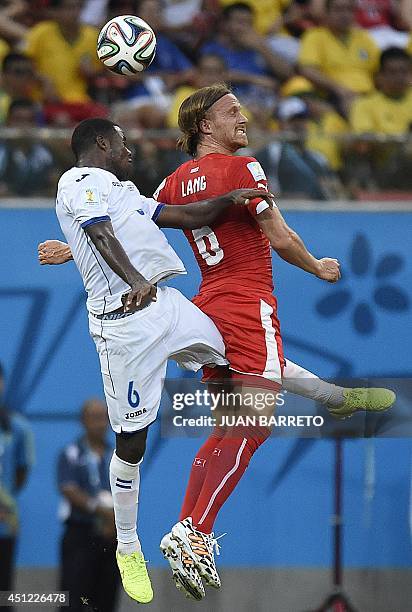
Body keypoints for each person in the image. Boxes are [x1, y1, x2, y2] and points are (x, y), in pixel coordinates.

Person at [151, 84, 395, 599]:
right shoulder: (244, 170)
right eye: (231, 111)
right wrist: (319, 267)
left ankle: (187, 528)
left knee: (226, 428)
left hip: (208, 305)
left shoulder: (171, 183)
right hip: (246, 301)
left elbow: (136, 227)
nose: (244, 116)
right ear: (204, 126)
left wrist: (73, 246)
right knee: (254, 425)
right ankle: (196, 531)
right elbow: (280, 238)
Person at [41, 116, 273, 604]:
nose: (131, 151)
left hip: (167, 306)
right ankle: (128, 546)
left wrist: (230, 200)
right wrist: (132, 279)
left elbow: (183, 218)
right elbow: (99, 233)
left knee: (242, 359)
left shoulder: (123, 191)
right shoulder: (78, 181)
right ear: (102, 143)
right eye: (123, 143)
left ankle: (321, 390)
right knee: (131, 443)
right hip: (123, 326)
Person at [57, 398, 120, 612]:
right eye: (94, 418)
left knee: (106, 599)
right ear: (83, 421)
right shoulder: (72, 453)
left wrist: (115, 519)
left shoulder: (117, 455)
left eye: (104, 418)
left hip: (110, 536)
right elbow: (69, 489)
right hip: (80, 534)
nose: (100, 424)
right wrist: (101, 511)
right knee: (73, 599)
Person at [299, 0, 380, 114]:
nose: (345, 14)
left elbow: (379, 71)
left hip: (368, 94)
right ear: (327, 13)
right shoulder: (315, 36)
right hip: (333, 95)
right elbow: (307, 69)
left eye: (349, 10)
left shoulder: (364, 37)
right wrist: (338, 88)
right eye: (339, 10)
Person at [349, 46, 412, 189]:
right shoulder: (364, 104)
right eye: (393, 72)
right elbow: (364, 142)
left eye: (404, 72)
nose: (400, 77)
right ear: (380, 76)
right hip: (383, 170)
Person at [0, 362, 34, 611]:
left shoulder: (18, 428)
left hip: (4, 523)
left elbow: (22, 471)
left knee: (4, 591)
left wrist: (6, 498)